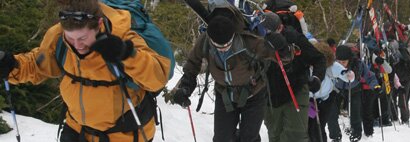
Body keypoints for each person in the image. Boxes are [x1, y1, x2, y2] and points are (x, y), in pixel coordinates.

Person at [0, 0, 171, 141]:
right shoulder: (59, 39)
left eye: (82, 38)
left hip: (123, 134)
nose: (77, 45)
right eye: (71, 38)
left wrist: (127, 54)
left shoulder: (123, 37)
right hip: (77, 129)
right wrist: (12, 65)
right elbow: (38, 66)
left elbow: (157, 77)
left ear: (99, 24)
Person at [171, 6, 290, 142]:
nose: (222, 49)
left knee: (249, 138)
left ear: (233, 34)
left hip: (253, 93)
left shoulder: (249, 41)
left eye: (227, 45)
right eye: (218, 46)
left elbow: (284, 59)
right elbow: (192, 64)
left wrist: (283, 48)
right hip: (225, 94)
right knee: (222, 139)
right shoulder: (205, 41)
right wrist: (185, 87)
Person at [260, 12, 327, 142]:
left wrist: (317, 78)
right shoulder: (260, 42)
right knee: (275, 135)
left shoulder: (295, 39)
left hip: (295, 90)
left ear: (280, 27)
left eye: (272, 32)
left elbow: (319, 59)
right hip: (270, 95)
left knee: (295, 136)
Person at [307, 42, 354, 142]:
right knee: (309, 127)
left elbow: (344, 73)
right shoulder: (306, 65)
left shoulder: (331, 66)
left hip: (326, 99)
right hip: (309, 100)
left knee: (319, 126)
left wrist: (349, 75)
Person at [333, 44, 379, 142]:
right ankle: (335, 136)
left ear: (349, 59)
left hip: (354, 89)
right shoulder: (333, 65)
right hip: (336, 89)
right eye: (339, 62)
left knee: (356, 113)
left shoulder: (358, 64)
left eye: (344, 62)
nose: (341, 64)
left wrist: (375, 86)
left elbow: (370, 76)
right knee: (331, 113)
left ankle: (356, 135)